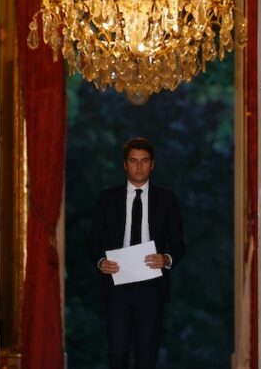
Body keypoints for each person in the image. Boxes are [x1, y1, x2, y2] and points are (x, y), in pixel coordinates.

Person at [86, 137, 186, 369]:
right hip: (116, 285)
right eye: (133, 161)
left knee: (146, 356)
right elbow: (92, 241)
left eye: (144, 161)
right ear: (125, 165)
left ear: (152, 164)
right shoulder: (107, 198)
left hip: (152, 286)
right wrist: (101, 261)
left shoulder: (167, 199)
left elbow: (179, 244)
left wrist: (166, 259)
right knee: (117, 353)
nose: (139, 166)